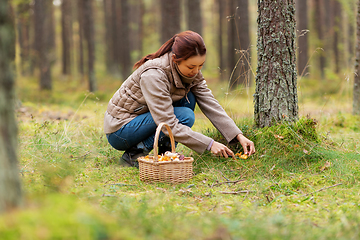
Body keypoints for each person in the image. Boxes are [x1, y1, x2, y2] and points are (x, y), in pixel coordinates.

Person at [104, 30, 255, 167]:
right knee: (185, 116)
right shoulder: (154, 75)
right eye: (191, 67)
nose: (196, 71)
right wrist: (209, 144)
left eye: (200, 66)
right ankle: (133, 155)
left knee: (189, 97)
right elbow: (169, 122)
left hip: (143, 120)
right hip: (120, 129)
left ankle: (165, 155)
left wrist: (237, 135)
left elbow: (210, 103)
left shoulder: (191, 73)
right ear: (175, 59)